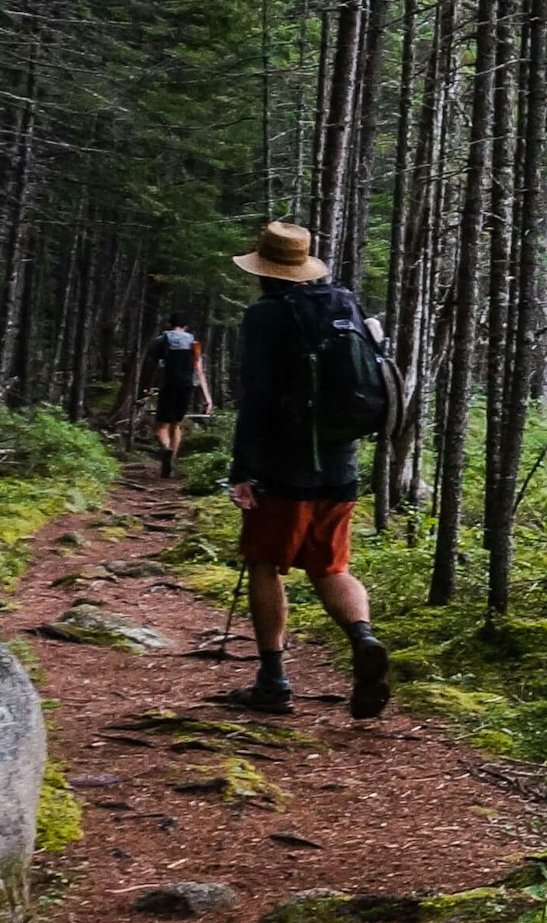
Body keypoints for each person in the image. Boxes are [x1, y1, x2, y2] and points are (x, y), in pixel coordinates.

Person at [224, 220, 392, 719]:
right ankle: (363, 638)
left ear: (265, 270)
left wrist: (242, 469)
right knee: (332, 566)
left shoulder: (264, 316)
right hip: (340, 461)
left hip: (283, 465)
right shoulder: (343, 304)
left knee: (263, 563)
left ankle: (273, 680)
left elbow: (254, 398)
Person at [149, 314, 212, 477]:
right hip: (187, 386)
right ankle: (172, 462)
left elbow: (153, 364)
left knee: (161, 427)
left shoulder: (162, 340)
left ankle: (166, 449)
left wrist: (147, 386)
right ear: (186, 327)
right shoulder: (194, 343)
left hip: (168, 384)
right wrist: (207, 398)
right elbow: (199, 370)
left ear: (170, 324)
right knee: (176, 424)